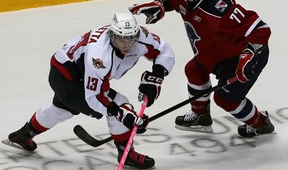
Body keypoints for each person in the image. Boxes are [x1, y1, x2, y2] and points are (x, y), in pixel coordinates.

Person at [5, 12, 175, 169]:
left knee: (62, 109)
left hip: (74, 67)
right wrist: (124, 115)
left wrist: (156, 76)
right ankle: (126, 153)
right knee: (118, 104)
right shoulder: (100, 55)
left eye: (131, 39)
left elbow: (164, 50)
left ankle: (24, 134)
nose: (127, 45)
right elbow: (94, 96)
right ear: (112, 35)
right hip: (66, 75)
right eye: (121, 39)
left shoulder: (142, 37)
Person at [129, 0, 275, 137]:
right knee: (194, 70)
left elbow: (261, 29)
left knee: (225, 99)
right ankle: (201, 116)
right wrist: (160, 4)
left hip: (244, 59)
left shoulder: (220, 6)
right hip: (214, 54)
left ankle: (260, 123)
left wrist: (248, 54)